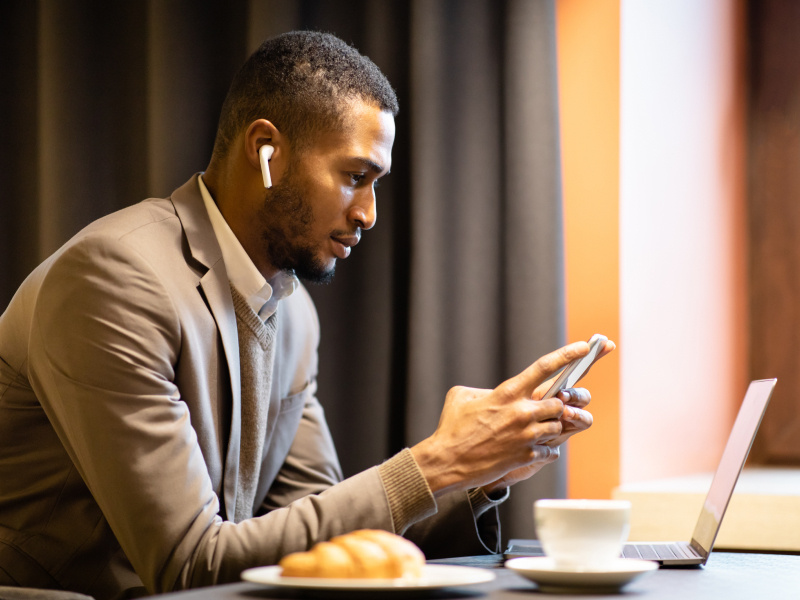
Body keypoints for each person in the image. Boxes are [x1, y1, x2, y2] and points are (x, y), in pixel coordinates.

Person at [0, 31, 612, 599]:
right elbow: (187, 565)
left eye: (376, 184)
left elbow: (321, 537)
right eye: (355, 176)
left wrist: (476, 471)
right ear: (265, 149)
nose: (369, 213)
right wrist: (436, 461)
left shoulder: (292, 314)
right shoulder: (114, 278)